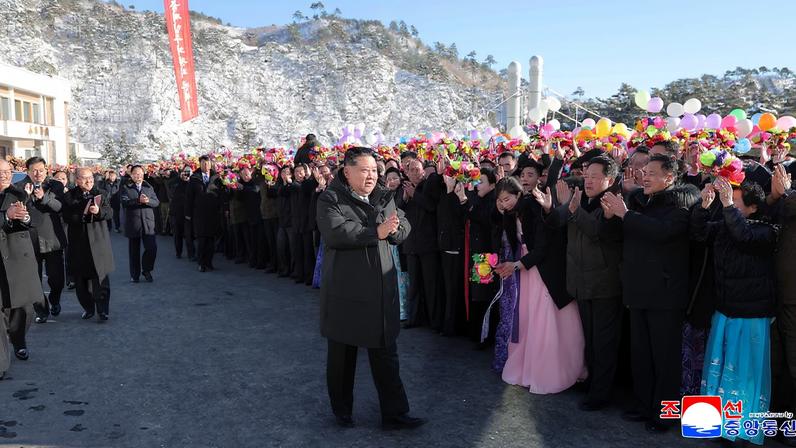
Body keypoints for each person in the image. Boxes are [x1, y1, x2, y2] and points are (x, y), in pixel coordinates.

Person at [316, 146, 425, 430]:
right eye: (364, 170)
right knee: (342, 356)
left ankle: (395, 414)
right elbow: (336, 232)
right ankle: (342, 411)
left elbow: (401, 225)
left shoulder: (383, 196)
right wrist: (374, 232)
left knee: (386, 357)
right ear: (346, 171)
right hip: (346, 292)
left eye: (374, 170)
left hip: (380, 291)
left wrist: (396, 230)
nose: (371, 176)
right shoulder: (330, 198)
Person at [601, 154, 699, 433]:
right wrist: (611, 218)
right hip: (637, 291)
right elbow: (615, 237)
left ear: (669, 177)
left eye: (652, 172)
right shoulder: (637, 203)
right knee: (641, 356)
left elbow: (662, 233)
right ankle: (644, 406)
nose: (645, 176)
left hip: (666, 296)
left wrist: (627, 215)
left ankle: (666, 415)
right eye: (645, 171)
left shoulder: (680, 205)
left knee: (665, 360)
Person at [692, 178, 777, 446]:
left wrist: (726, 206)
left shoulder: (767, 230)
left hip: (751, 314)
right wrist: (704, 208)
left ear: (752, 208)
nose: (728, 204)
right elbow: (698, 234)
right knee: (719, 369)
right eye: (728, 199)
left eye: (735, 201)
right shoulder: (725, 225)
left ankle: (740, 428)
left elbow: (745, 237)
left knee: (744, 372)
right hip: (725, 309)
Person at [546, 155, 623, 411]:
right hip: (580, 281)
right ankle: (591, 383)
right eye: (586, 175)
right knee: (589, 340)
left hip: (604, 285)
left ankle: (601, 393)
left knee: (603, 343)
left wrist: (575, 211)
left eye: (595, 176)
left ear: (609, 179)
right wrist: (558, 203)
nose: (588, 180)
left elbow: (599, 231)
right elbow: (556, 218)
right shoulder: (581, 198)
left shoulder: (613, 201)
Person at [0, 159, 42, 365]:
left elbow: (36, 219)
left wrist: (24, 218)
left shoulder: (20, 193)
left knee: (23, 308)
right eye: (0, 172)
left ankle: (18, 340)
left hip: (18, 256)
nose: (4, 175)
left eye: (7, 171)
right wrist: (6, 217)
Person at [16, 156, 67, 323]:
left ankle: (55, 299)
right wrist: (27, 196)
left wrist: (43, 197)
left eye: (41, 170)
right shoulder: (18, 187)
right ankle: (41, 309)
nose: (38, 173)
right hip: (30, 239)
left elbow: (59, 207)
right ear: (27, 171)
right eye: (34, 170)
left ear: (47, 170)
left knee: (57, 278)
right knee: (34, 279)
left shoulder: (55, 185)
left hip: (52, 237)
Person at [62, 167, 114, 321]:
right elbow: (66, 216)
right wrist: (83, 213)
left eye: (91, 177)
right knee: (81, 280)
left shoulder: (101, 193)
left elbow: (109, 212)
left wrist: (98, 212)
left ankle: (103, 309)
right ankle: (88, 307)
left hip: (98, 239)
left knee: (101, 277)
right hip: (79, 241)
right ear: (77, 180)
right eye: (84, 178)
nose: (89, 181)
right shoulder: (69, 196)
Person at [400, 158, 443, 330]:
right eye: (412, 170)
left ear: (423, 171)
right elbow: (397, 211)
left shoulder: (428, 186)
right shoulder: (404, 189)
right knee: (414, 284)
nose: (416, 173)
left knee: (431, 285)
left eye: (418, 170)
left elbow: (431, 206)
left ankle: (434, 321)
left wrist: (414, 195)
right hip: (411, 244)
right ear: (407, 172)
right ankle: (414, 318)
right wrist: (405, 198)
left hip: (428, 245)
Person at [120, 165, 160, 283]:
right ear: (131, 175)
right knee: (134, 251)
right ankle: (134, 274)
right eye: (136, 174)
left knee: (152, 248)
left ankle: (147, 269)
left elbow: (156, 202)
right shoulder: (126, 187)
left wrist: (148, 201)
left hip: (148, 223)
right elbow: (124, 202)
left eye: (141, 174)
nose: (139, 176)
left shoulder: (148, 186)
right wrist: (138, 201)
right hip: (133, 223)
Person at [186, 156, 223, 272]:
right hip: (199, 213)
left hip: (213, 213)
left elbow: (222, 194)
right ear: (200, 164)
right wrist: (188, 213)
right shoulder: (194, 178)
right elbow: (189, 197)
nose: (206, 166)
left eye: (207, 163)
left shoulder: (217, 178)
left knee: (211, 240)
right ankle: (201, 263)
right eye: (203, 163)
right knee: (202, 239)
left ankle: (209, 262)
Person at [168, 166, 194, 260]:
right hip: (176, 212)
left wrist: (189, 179)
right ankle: (178, 252)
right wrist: (180, 178)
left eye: (189, 172)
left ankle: (191, 254)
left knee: (189, 234)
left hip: (187, 212)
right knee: (177, 234)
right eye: (185, 172)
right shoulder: (175, 182)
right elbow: (170, 187)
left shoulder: (192, 182)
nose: (186, 174)